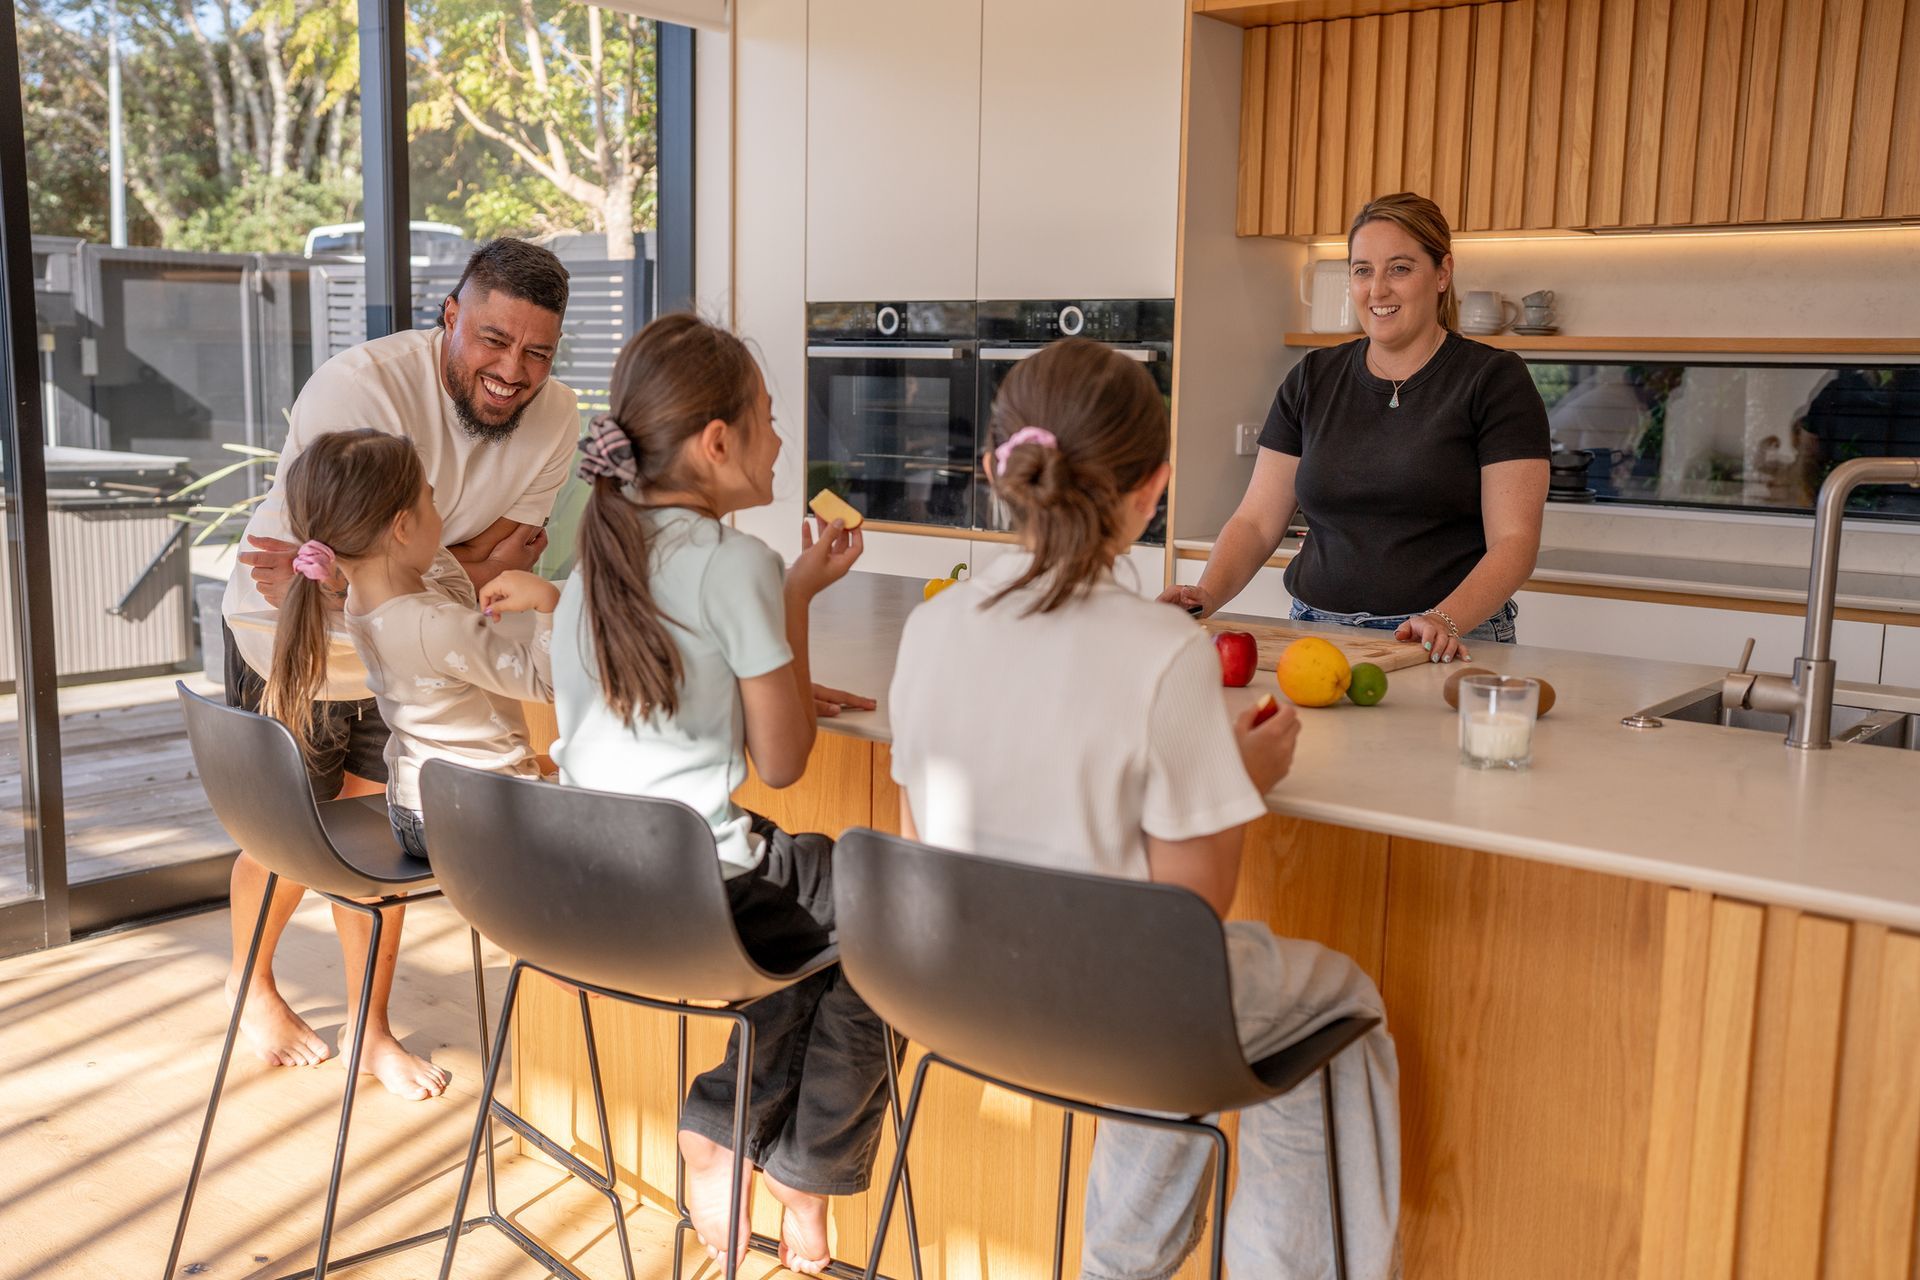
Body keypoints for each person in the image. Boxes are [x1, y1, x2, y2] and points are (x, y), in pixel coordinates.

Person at [888, 338, 1401, 1280]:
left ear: (998, 468)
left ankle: (1121, 1267)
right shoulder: (1162, 651)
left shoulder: (931, 627)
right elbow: (1187, 922)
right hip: (1114, 1004)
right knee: (1332, 1007)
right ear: (1153, 487)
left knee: (1146, 985)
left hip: (956, 989)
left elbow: (935, 840)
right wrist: (1237, 779)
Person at [549, 314, 881, 1276]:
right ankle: (803, 1168)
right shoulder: (739, 563)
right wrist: (786, 611)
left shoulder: (592, 568)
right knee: (893, 914)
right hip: (702, 898)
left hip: (587, 893)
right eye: (770, 422)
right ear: (719, 442)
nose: (782, 442)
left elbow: (679, 689)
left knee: (813, 918)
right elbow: (783, 761)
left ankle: (723, 1126)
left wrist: (794, 603)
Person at [217, 237, 577, 1092]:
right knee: (282, 838)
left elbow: (500, 558)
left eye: (537, 351)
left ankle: (373, 1030)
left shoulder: (556, 417)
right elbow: (306, 564)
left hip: (412, 655)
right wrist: (453, 560)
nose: (513, 370)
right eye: (493, 339)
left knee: (376, 828)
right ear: (450, 317)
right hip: (291, 638)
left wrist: (411, 564)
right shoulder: (362, 386)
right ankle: (252, 985)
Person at [258, 429, 558, 1098]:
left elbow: (435, 588)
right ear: (401, 526)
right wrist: (549, 604)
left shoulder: (363, 600)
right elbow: (550, 682)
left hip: (417, 811)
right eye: (429, 500)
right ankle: (578, 979)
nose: (440, 514)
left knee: (556, 768)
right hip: (481, 827)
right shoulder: (429, 621)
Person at [1163, 192, 1549, 663]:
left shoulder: (1493, 380)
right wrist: (1205, 594)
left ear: (1442, 273)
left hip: (1444, 642)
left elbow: (1515, 542)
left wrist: (1443, 620)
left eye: (1400, 268)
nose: (1377, 289)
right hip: (1314, 635)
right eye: (1362, 270)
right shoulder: (1311, 378)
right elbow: (1256, 521)